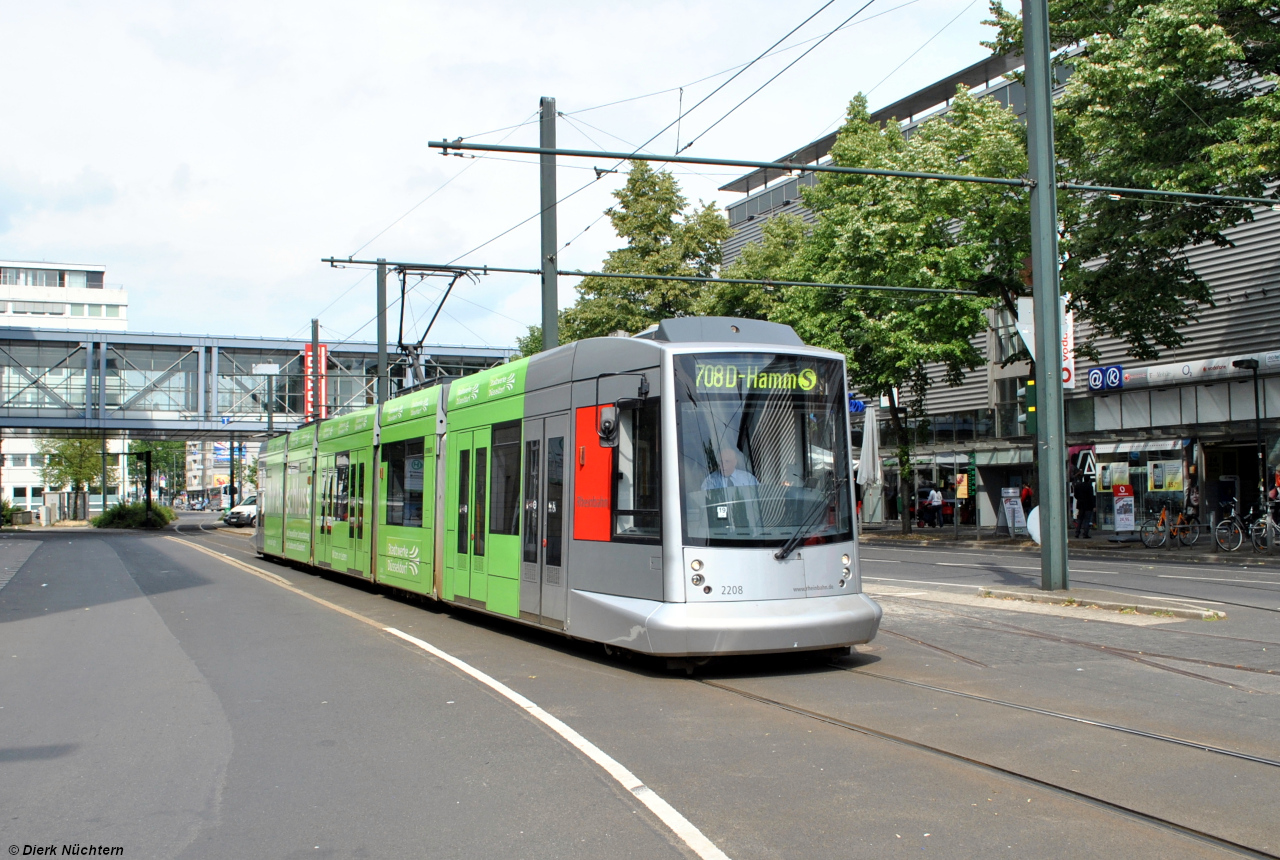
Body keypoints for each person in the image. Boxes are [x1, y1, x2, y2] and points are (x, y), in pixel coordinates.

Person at [1072, 469, 1096, 539]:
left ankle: (1077, 533)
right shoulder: (1089, 487)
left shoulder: (1078, 486)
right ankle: (1085, 533)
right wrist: (1093, 505)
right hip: (1088, 505)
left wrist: (1080, 499)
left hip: (1080, 504)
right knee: (1087, 520)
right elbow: (1091, 497)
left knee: (1080, 519)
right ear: (1089, 480)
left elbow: (1075, 495)